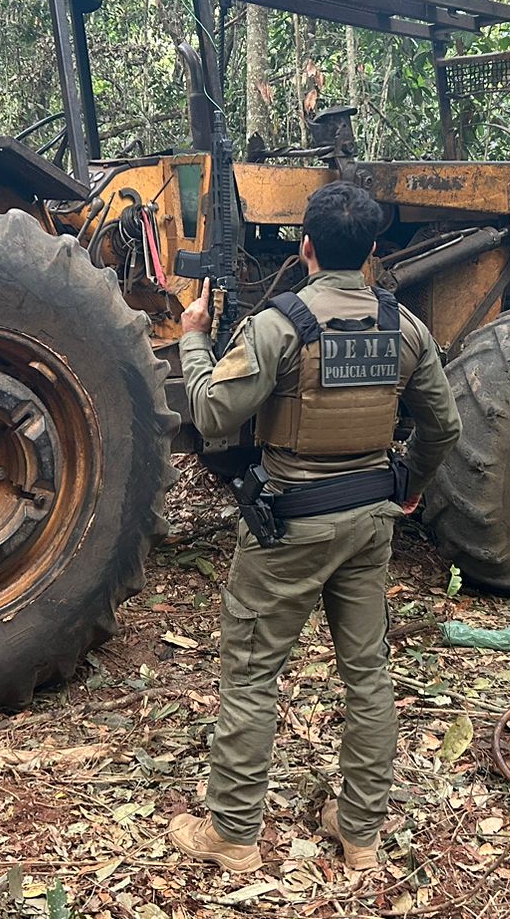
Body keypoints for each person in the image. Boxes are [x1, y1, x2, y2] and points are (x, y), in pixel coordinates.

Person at [167, 180, 461, 873]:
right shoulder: (404, 327)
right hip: (368, 525)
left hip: (290, 526)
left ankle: (234, 836)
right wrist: (408, 486)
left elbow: (211, 415)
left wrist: (192, 340)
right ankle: (360, 833)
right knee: (368, 676)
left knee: (251, 676)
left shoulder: (281, 324)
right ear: (372, 255)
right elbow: (443, 427)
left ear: (303, 249)